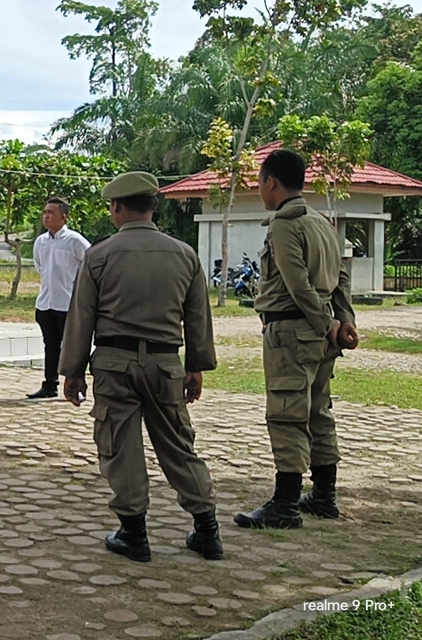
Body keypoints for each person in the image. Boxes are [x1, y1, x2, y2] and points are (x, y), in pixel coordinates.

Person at [60, 172, 222, 563]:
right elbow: (198, 317)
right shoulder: (184, 254)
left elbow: (81, 317)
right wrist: (196, 366)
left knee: (121, 446)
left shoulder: (99, 255)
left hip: (115, 364)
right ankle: (208, 530)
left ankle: (134, 534)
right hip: (167, 364)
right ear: (153, 207)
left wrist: (73, 371)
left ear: (117, 208)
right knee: (179, 445)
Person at [235, 149, 358, 530]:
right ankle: (323, 494)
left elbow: (297, 283)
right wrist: (343, 321)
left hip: (293, 331)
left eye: (259, 181)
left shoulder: (285, 224)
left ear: (272, 182)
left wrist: (326, 324)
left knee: (287, 413)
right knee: (318, 411)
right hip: (321, 333)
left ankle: (285, 503)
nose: (259, 189)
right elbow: (341, 279)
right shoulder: (322, 222)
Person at [29, 197, 91, 399]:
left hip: (68, 304)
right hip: (46, 303)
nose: (46, 216)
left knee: (73, 348)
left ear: (63, 217)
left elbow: (90, 264)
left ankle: (76, 385)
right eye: (45, 212)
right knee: (51, 345)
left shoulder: (74, 240)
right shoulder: (41, 241)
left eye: (51, 213)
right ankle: (49, 385)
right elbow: (40, 267)